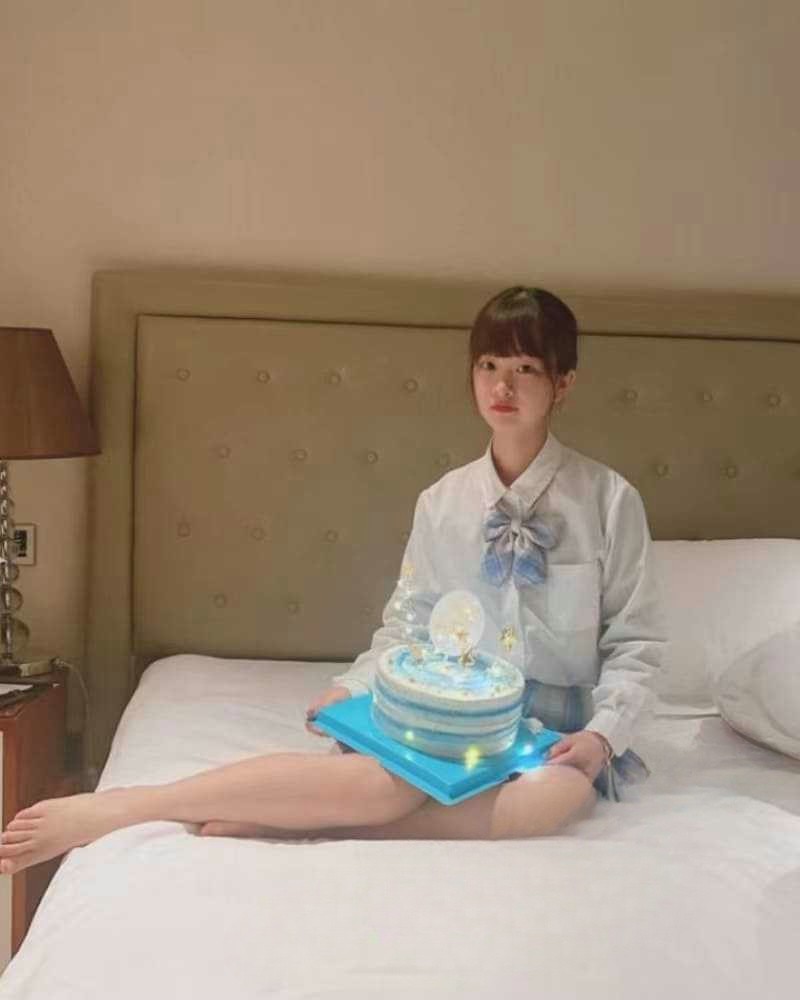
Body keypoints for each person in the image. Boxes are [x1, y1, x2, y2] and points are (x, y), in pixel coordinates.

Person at [0, 286, 665, 875]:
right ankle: (133, 804)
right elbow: (409, 624)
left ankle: (303, 825)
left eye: (526, 369)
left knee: (559, 795)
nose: (502, 387)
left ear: (563, 384)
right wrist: (353, 687)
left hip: (551, 730)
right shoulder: (444, 502)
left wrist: (602, 736)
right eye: (489, 366)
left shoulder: (609, 501)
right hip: (450, 715)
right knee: (381, 786)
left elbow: (636, 644)